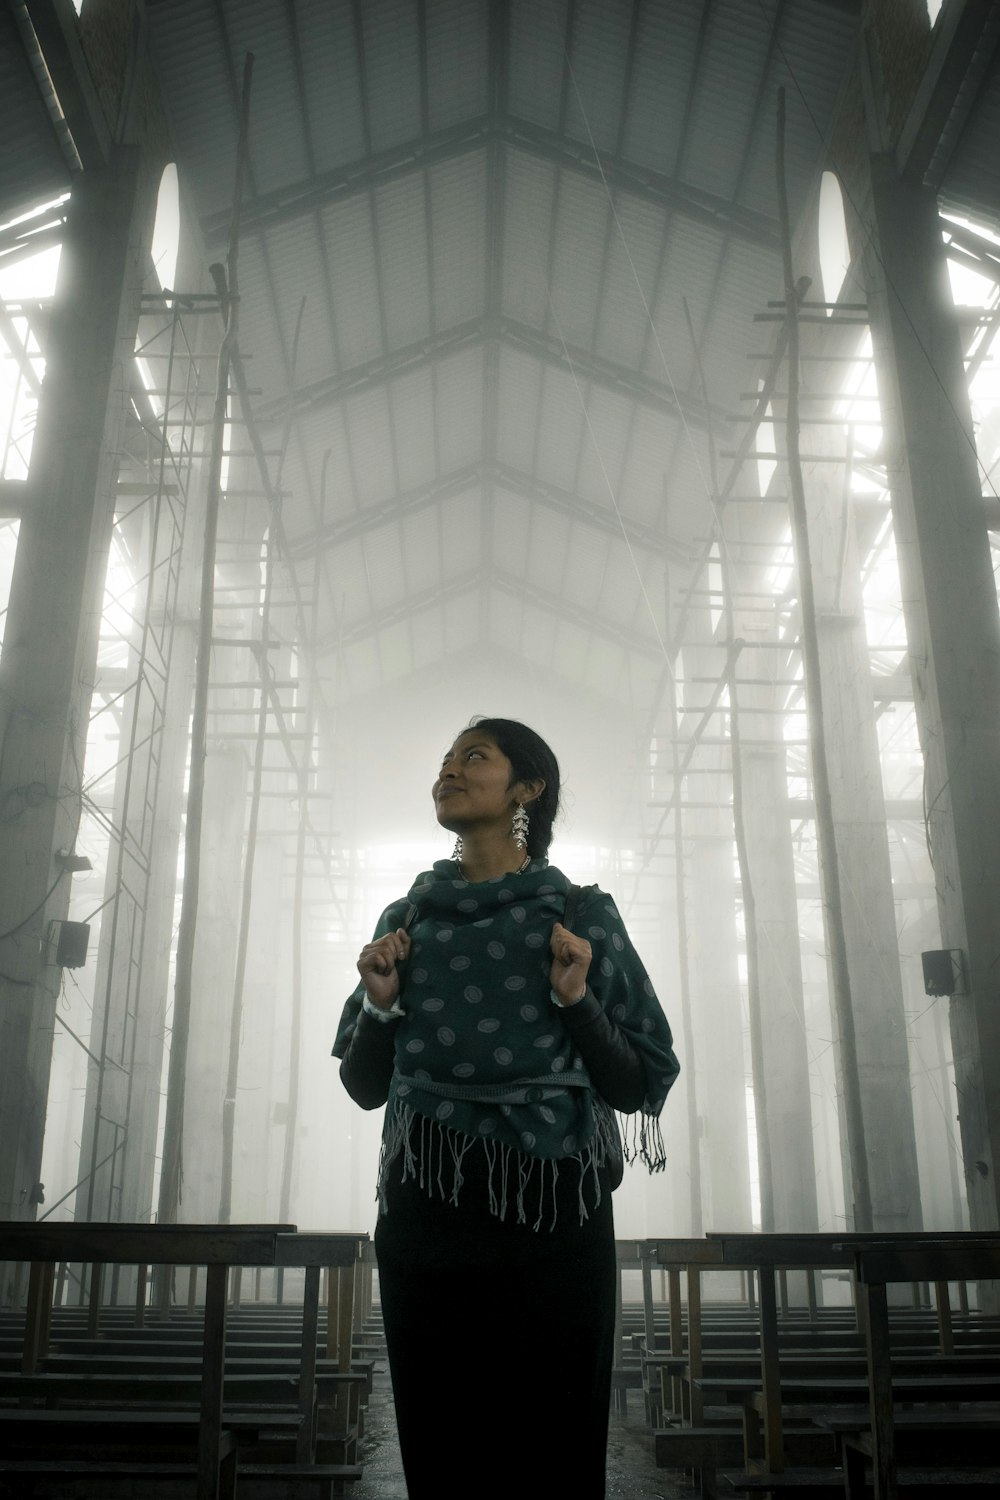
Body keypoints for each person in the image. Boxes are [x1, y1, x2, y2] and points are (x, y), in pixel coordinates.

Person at [333, 717, 679, 1500]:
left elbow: (636, 1083)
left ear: (528, 788)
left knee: (553, 1450)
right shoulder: (406, 921)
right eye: (445, 760)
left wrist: (578, 1000)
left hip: (555, 1212)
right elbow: (362, 1086)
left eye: (473, 757)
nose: (449, 770)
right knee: (443, 1444)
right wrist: (383, 1006)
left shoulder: (581, 916)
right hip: (428, 1213)